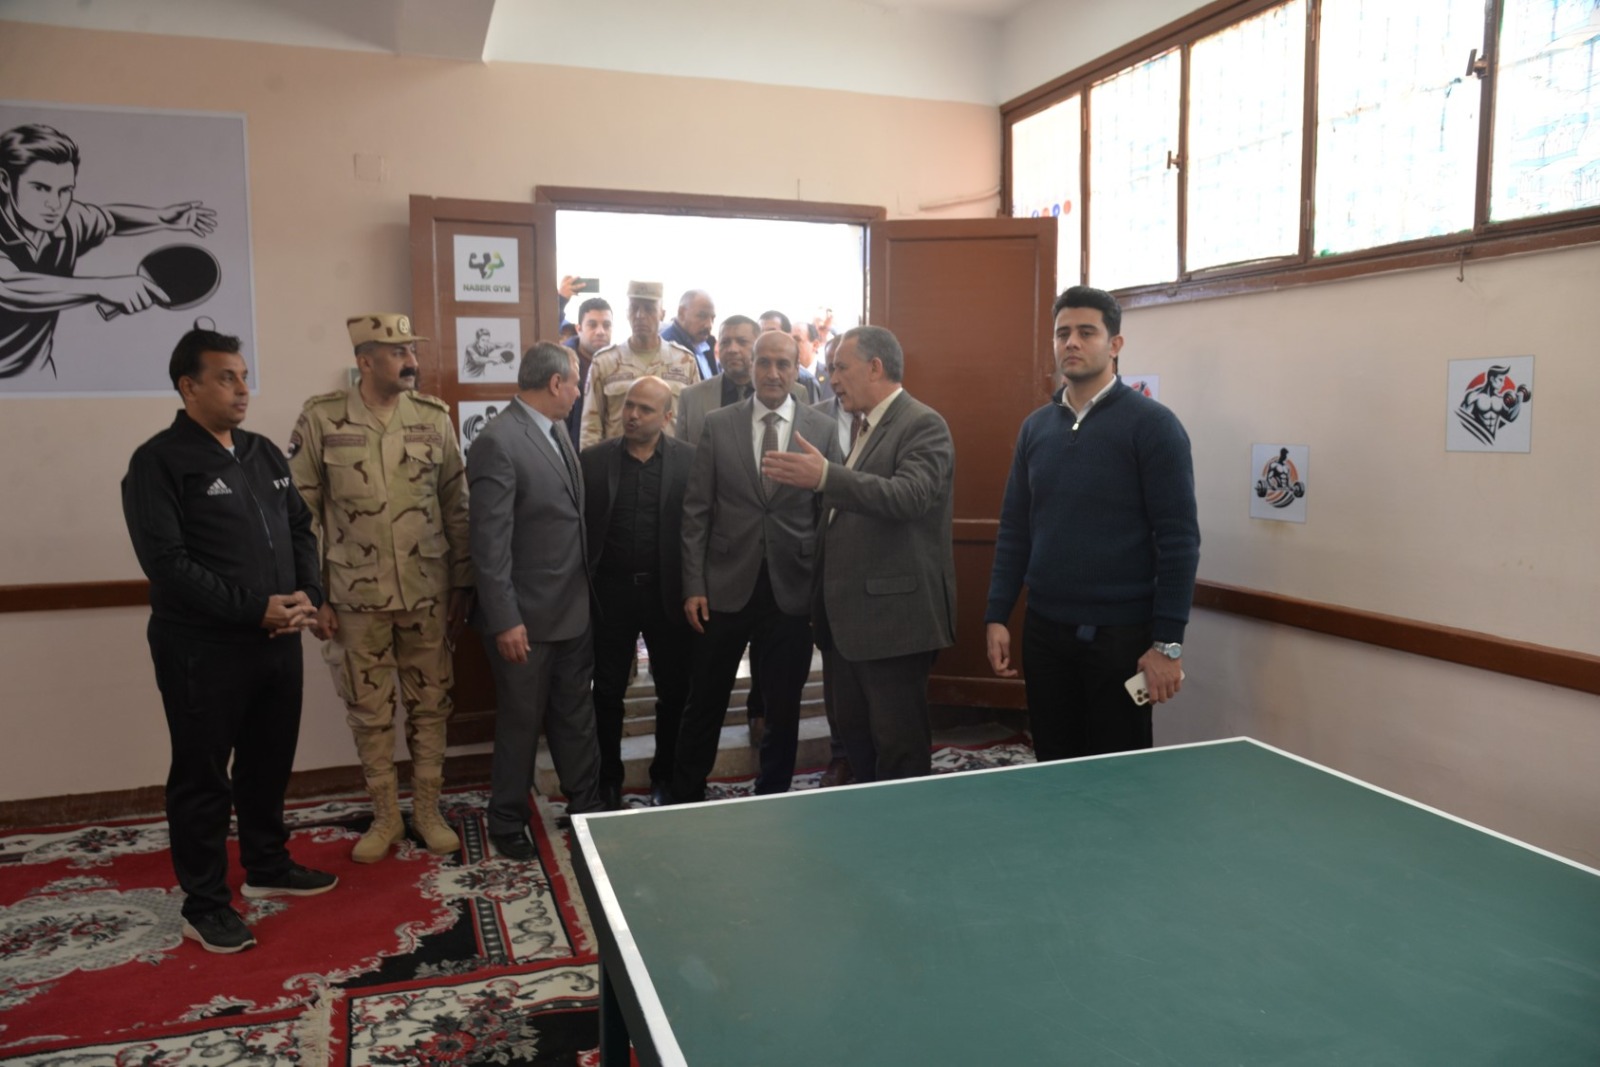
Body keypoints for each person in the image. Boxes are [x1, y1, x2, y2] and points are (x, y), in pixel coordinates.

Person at [121, 322, 335, 954]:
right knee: (203, 776)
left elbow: (300, 528)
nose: (242, 389)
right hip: (202, 649)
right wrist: (252, 610)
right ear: (188, 387)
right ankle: (206, 904)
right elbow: (167, 564)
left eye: (243, 377)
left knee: (268, 761)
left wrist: (307, 594)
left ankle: (268, 865)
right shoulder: (158, 461)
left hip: (278, 640)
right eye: (225, 378)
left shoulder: (262, 452)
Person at [984, 286, 1200, 761]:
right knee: (1053, 762)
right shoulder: (1035, 428)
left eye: (1087, 332)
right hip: (1045, 631)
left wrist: (1167, 644)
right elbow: (1016, 528)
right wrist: (998, 613)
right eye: (1062, 333)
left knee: (1118, 770)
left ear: (1115, 344)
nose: (1072, 343)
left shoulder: (1154, 426)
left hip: (1120, 635)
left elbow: (1180, 541)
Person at [288, 312, 473, 863]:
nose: (411, 361)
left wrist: (463, 583)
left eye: (411, 351)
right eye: (398, 353)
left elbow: (457, 506)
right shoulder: (322, 418)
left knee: (431, 705)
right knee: (368, 711)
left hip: (426, 591)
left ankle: (428, 811)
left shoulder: (433, 418)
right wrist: (313, 594)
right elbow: (300, 514)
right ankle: (386, 816)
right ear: (365, 361)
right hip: (353, 596)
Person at [762, 325, 955, 783]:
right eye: (830, 369)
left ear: (875, 367)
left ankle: (902, 828)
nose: (831, 380)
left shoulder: (922, 423)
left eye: (840, 368)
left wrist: (826, 476)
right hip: (847, 623)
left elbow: (909, 496)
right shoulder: (861, 425)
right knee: (857, 744)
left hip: (894, 622)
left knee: (898, 750)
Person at [674, 331, 843, 802]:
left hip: (792, 590)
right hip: (724, 587)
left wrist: (822, 592)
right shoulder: (718, 424)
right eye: (763, 363)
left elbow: (828, 516)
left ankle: (773, 795)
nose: (772, 373)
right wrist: (693, 584)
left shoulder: (821, 429)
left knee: (783, 705)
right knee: (705, 699)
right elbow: (696, 511)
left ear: (796, 370)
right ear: (750, 368)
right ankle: (685, 795)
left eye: (782, 364)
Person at [469, 342, 608, 860]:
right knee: (521, 723)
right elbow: (489, 544)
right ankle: (507, 820)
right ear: (555, 383)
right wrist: (505, 619)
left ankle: (586, 806)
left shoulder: (554, 431)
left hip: (572, 611)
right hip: (525, 621)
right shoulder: (499, 441)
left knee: (576, 716)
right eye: (575, 383)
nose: (577, 393)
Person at [0, 123, 218, 378]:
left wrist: (160, 218)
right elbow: (9, 286)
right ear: (4, 181)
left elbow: (110, 218)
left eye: (65, 190)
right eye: (40, 188)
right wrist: (101, 287)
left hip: (38, 372)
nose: (55, 204)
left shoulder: (69, 220)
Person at [580, 377, 696, 808]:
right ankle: (608, 780)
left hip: (666, 594)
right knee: (607, 691)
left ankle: (664, 776)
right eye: (629, 405)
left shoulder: (689, 461)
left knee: (674, 690)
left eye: (645, 409)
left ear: (667, 417)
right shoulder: (594, 461)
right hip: (610, 594)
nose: (632, 415)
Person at [579, 281, 700, 447]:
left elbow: (695, 424)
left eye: (649, 309)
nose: (640, 316)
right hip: (618, 460)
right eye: (634, 308)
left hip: (671, 460)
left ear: (662, 314)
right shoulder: (604, 362)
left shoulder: (685, 361)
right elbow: (590, 427)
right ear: (626, 313)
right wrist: (591, 462)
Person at [677, 314, 758, 446]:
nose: (732, 349)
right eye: (725, 342)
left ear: (758, 347)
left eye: (742, 342)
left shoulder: (787, 393)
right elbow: (681, 451)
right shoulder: (691, 397)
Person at [561, 296, 611, 448]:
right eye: (592, 325)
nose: (600, 332)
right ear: (579, 329)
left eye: (606, 325)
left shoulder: (620, 364)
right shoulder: (561, 364)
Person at [759, 309, 820, 402]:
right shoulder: (749, 372)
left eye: (771, 332)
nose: (764, 338)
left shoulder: (805, 380)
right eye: (760, 333)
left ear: (787, 336)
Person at [661, 288, 718, 380]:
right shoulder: (666, 347)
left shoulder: (708, 345)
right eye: (702, 316)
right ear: (682, 313)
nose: (709, 325)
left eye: (712, 318)